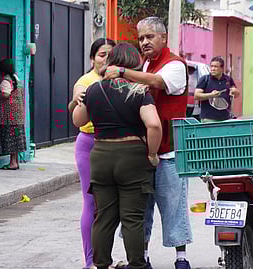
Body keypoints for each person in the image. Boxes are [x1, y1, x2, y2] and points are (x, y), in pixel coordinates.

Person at [104, 17, 192, 269]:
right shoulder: (146, 65)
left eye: (149, 37)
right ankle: (142, 258)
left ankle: (181, 258)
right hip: (143, 151)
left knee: (173, 206)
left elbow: (157, 83)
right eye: (141, 38)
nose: (144, 42)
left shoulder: (174, 64)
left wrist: (121, 71)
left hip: (170, 151)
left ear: (163, 38)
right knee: (141, 209)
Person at [73, 42, 162, 269]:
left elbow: (78, 120)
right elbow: (153, 125)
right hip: (131, 157)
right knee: (132, 218)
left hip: (101, 155)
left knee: (103, 217)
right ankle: (136, 265)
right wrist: (152, 154)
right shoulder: (139, 91)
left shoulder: (94, 89)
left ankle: (100, 264)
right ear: (133, 64)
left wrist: (80, 99)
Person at [68, 37, 116, 269]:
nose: (106, 59)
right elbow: (77, 93)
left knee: (114, 205)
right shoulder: (86, 80)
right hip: (89, 143)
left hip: (116, 145)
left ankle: (107, 256)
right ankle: (91, 261)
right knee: (91, 202)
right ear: (92, 58)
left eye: (110, 54)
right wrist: (77, 98)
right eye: (101, 54)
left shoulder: (123, 79)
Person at [0, 58, 26, 170]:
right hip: (18, 116)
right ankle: (15, 162)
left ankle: (12, 163)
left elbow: (6, 94)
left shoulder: (6, 81)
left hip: (9, 116)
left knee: (11, 139)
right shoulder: (17, 79)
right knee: (16, 139)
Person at [194, 56, 240, 123]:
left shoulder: (228, 79)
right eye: (211, 66)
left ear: (222, 68)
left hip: (226, 118)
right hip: (209, 119)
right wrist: (211, 95)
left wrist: (235, 91)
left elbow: (236, 94)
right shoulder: (205, 79)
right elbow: (196, 96)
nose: (212, 69)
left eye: (215, 67)